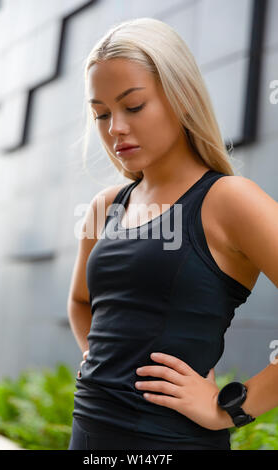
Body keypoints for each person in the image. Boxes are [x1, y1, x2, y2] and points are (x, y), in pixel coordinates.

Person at [67, 17, 278, 450]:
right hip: (87, 433)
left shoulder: (229, 199)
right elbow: (80, 301)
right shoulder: (106, 206)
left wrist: (232, 408)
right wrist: (99, 358)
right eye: (101, 114)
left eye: (134, 105)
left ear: (181, 97)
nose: (115, 129)